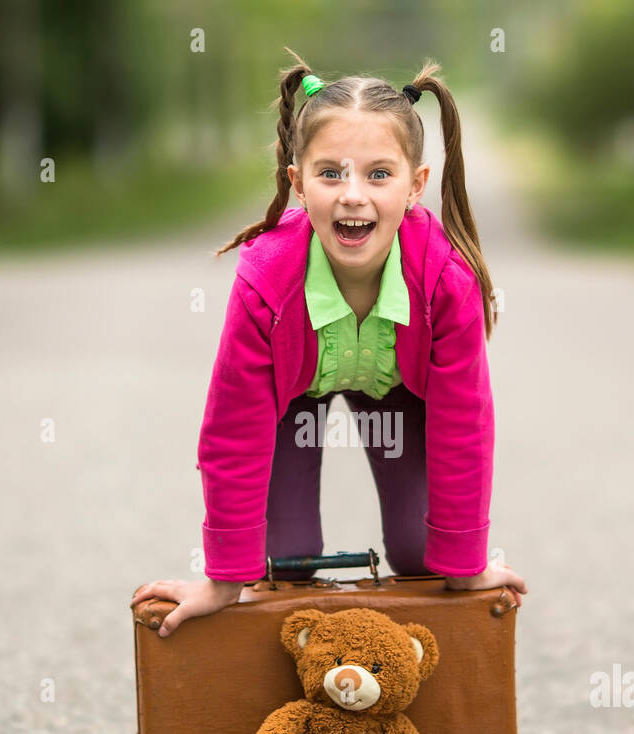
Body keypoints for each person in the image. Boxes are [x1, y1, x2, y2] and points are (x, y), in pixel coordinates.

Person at [134, 50, 527, 637]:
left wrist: (467, 565)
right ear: (297, 183)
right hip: (296, 396)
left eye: (378, 174)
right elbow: (233, 427)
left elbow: (463, 423)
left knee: (424, 555)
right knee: (285, 561)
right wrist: (223, 578)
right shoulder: (265, 281)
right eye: (330, 173)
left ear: (416, 185)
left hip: (398, 391)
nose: (352, 195)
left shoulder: (446, 280)